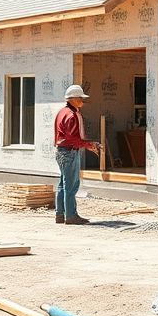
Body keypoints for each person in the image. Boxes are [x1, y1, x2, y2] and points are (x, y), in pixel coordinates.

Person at [53, 84, 101, 225]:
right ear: (72, 99)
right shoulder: (71, 116)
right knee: (71, 185)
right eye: (80, 98)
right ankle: (71, 215)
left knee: (62, 183)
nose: (82, 101)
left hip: (61, 151)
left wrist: (87, 144)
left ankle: (60, 214)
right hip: (69, 151)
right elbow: (72, 138)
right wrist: (89, 144)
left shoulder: (62, 112)